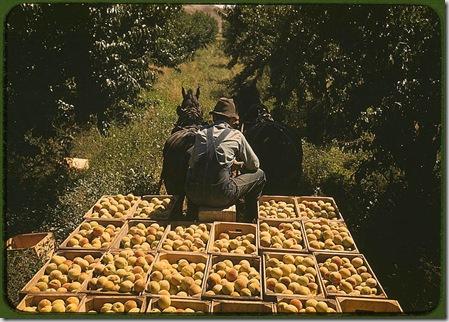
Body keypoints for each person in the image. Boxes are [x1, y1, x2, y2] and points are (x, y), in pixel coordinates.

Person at [185, 97, 266, 221]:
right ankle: (249, 217)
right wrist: (238, 165)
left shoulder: (201, 133)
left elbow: (192, 163)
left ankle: (190, 214)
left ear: (214, 117)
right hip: (222, 196)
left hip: (194, 194)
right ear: (232, 120)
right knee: (260, 174)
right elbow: (254, 165)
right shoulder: (236, 135)